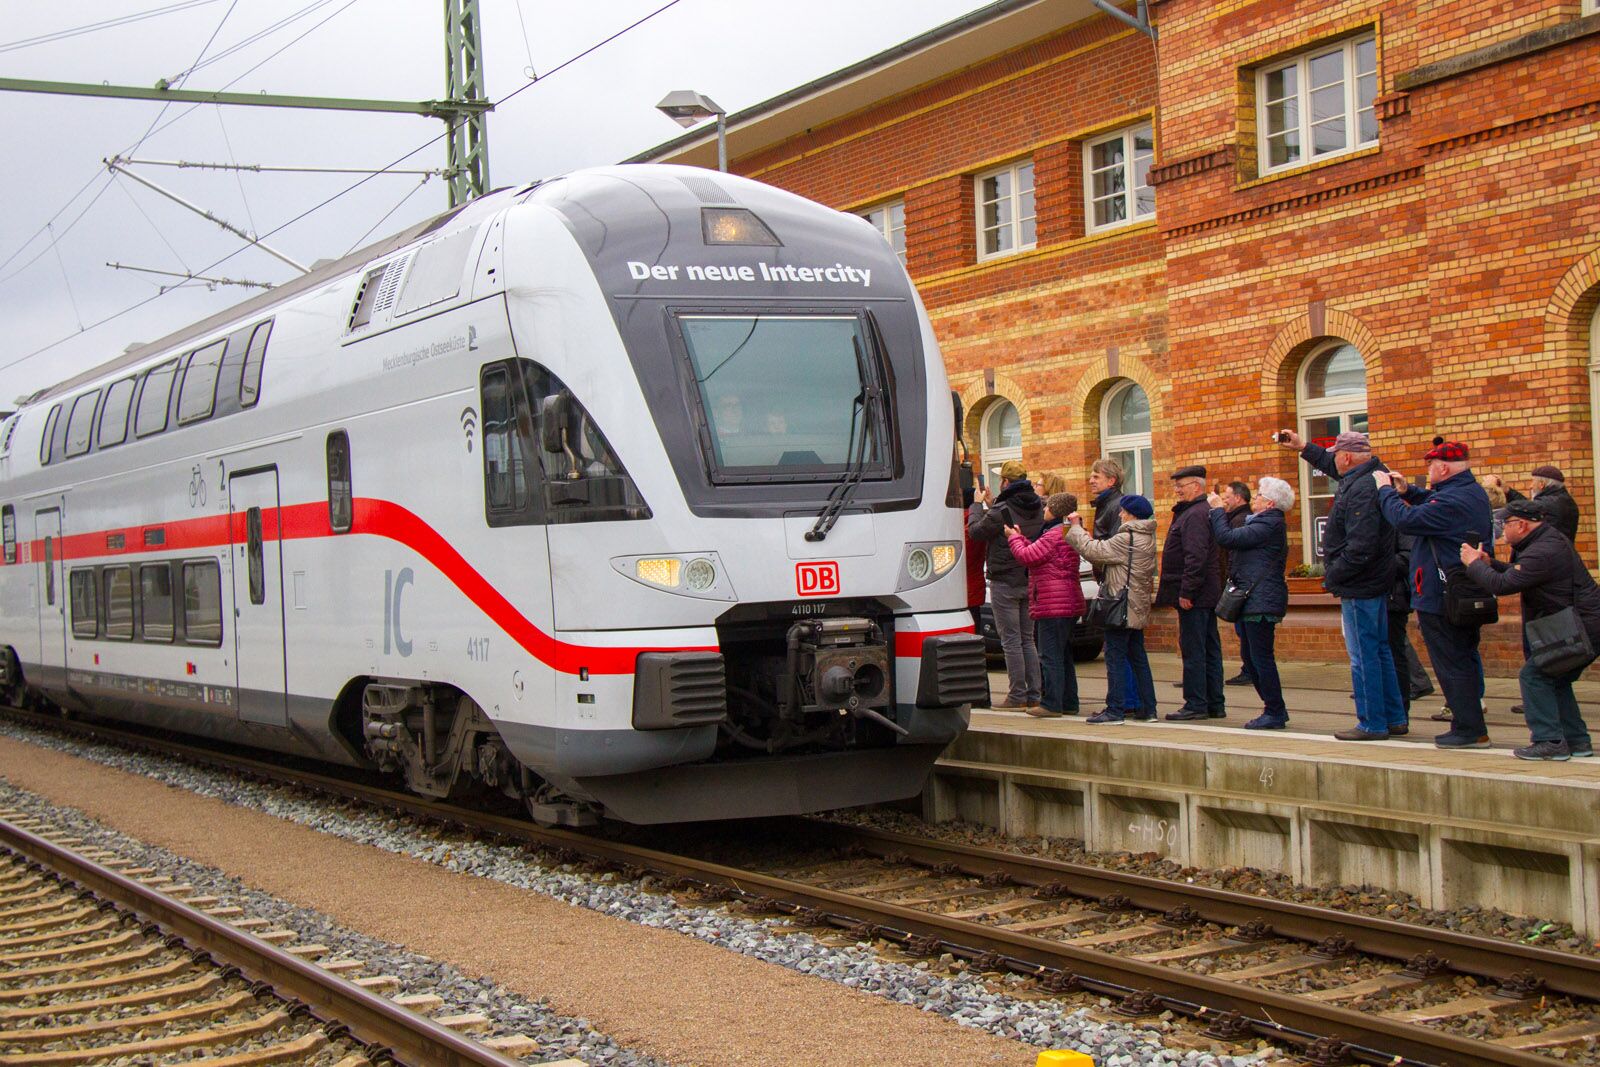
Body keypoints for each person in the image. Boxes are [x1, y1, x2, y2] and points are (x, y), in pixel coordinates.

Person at [1279, 429, 1405, 741]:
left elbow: (1360, 545)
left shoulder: (1362, 487)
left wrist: (1332, 576)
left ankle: (1372, 722)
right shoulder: (1370, 475)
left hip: (1360, 582)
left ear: (1347, 456)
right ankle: (1394, 717)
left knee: (1364, 655)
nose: (1334, 460)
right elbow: (1330, 465)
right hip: (1373, 580)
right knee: (1380, 650)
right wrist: (1304, 447)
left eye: (1337, 454)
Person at [1375, 441, 1495, 748]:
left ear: (1442, 467)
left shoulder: (1453, 501)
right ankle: (1470, 724)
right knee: (1464, 658)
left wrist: (1386, 491)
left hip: (1442, 596)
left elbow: (1404, 520)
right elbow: (1433, 502)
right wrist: (1408, 492)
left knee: (1451, 662)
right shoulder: (1470, 492)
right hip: (1462, 591)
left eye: (1430, 465)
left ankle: (1469, 729)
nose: (1428, 471)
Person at [1461, 498, 1600, 760]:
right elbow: (1518, 574)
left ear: (1521, 525)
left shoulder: (1543, 550)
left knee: (1535, 676)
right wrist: (1492, 564)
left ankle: (1549, 741)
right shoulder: (1545, 542)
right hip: (1582, 622)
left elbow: (1503, 586)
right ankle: (1577, 742)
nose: (1502, 529)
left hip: (1581, 625)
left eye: (1506, 523)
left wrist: (1474, 565)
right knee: (1556, 678)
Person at [1063, 495, 1158, 724]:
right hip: (1136, 607)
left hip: (1119, 607)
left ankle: (1115, 709)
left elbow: (1092, 551)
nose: (1120, 514)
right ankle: (1148, 708)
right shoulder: (1147, 537)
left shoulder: (1127, 538)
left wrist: (1075, 529)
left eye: (1124, 511)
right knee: (1138, 658)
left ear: (1132, 515)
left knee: (1114, 657)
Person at [1206, 478, 1292, 729]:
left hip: (1261, 601)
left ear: (1270, 503)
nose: (1255, 498)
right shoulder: (1261, 522)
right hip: (1253, 599)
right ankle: (1272, 707)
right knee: (1252, 656)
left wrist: (1217, 510)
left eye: (1259, 496)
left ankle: (1275, 710)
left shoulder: (1270, 523)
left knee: (1260, 657)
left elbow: (1226, 537)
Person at [969, 460, 1045, 710]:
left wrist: (978, 503)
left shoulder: (1003, 506)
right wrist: (992, 504)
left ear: (1006, 482)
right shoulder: (1036, 504)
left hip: (1004, 579)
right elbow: (1005, 521)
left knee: (1010, 641)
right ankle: (1034, 693)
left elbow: (977, 532)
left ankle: (1016, 695)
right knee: (1027, 639)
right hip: (1028, 576)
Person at [1005, 492, 1086, 718]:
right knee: (1063, 654)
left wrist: (1013, 538)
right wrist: (1022, 539)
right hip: (1068, 600)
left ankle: (1051, 703)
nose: (1044, 510)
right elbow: (1040, 554)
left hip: (1052, 603)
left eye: (1047, 506)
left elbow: (1027, 556)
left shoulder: (1054, 534)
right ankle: (1069, 701)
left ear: (1055, 510)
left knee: (1050, 655)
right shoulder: (1068, 531)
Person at [1158, 465, 1225, 721]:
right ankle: (1214, 703)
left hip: (1195, 596)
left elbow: (1195, 557)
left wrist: (1187, 591)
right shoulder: (1197, 512)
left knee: (1195, 649)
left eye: (1181, 486)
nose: (1176, 490)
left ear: (1196, 486)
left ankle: (1196, 703)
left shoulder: (1195, 514)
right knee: (1208, 647)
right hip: (1204, 593)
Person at [1087, 457, 1140, 718]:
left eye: (1096, 476)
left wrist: (1084, 542)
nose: (1091, 480)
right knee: (1127, 650)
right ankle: (1132, 701)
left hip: (1117, 587)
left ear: (1111, 480)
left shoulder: (1115, 506)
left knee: (1118, 650)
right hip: (1115, 584)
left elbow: (1113, 548)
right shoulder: (1107, 504)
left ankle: (1123, 702)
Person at [1219, 481, 1257, 689]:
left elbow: (1233, 552)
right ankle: (1250, 668)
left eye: (1227, 497)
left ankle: (1250, 670)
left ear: (1239, 498)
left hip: (1241, 585)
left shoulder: (1240, 520)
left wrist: (1230, 577)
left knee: (1245, 630)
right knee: (1242, 630)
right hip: (1240, 582)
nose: (1225, 500)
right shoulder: (1236, 518)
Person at [1530, 465, 1580, 544]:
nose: (1531, 486)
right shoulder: (1566, 500)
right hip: (1565, 551)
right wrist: (1510, 493)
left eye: (1533, 482)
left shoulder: (1545, 503)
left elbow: (1522, 511)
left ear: (1542, 484)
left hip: (1547, 553)